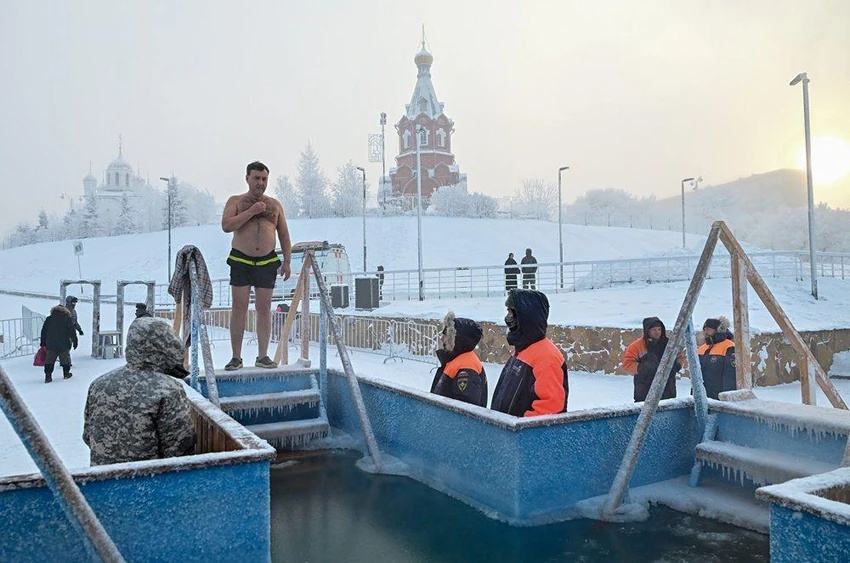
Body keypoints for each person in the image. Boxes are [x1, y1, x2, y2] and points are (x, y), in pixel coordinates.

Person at [83, 317, 196, 466]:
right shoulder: (169, 390)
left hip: (102, 477)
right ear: (166, 347)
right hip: (149, 478)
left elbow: (88, 436)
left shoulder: (99, 385)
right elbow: (179, 447)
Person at [221, 161, 292, 370]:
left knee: (264, 309)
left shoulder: (274, 205)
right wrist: (251, 211)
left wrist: (287, 261)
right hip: (241, 260)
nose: (261, 183)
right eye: (257, 178)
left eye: (264, 179)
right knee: (239, 307)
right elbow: (226, 226)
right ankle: (236, 357)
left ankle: (263, 356)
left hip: (266, 261)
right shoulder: (236, 201)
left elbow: (284, 235)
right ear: (247, 178)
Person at [491, 289, 569, 417]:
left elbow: (551, 409)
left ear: (526, 316)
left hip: (520, 429)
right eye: (507, 311)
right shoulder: (523, 349)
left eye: (511, 312)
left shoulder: (546, 357)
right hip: (505, 427)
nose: (507, 317)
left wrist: (516, 425)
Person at [430, 311, 488, 407]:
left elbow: (464, 410)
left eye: (446, 335)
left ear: (457, 339)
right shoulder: (457, 359)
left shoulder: (466, 369)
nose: (441, 339)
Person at [622, 317, 682, 402]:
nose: (657, 332)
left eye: (659, 329)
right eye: (654, 330)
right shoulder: (636, 346)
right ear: (647, 331)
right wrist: (642, 368)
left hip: (668, 390)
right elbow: (627, 363)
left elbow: (679, 357)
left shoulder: (669, 344)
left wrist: (677, 365)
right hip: (645, 391)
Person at [698, 316, 737, 400]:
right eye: (704, 329)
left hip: (720, 396)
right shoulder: (702, 348)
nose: (705, 332)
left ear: (718, 330)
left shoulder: (729, 346)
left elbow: (731, 375)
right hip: (703, 396)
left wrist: (727, 397)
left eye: (709, 329)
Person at [39, 304, 78, 383]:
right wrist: (75, 341)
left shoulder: (49, 319)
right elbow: (72, 331)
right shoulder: (67, 319)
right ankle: (66, 374)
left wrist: (43, 343)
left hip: (51, 344)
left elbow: (44, 332)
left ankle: (48, 377)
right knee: (65, 360)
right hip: (64, 344)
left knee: (49, 360)